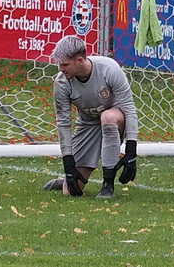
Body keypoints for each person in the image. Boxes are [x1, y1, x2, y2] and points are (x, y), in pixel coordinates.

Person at [42, 35, 139, 199]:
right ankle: (65, 181)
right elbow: (63, 123)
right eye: (59, 64)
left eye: (65, 64)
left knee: (107, 117)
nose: (60, 68)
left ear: (80, 60)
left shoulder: (109, 69)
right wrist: (68, 165)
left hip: (115, 119)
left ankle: (108, 185)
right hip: (87, 123)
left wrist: (131, 152)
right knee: (71, 191)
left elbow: (129, 109)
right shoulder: (62, 83)